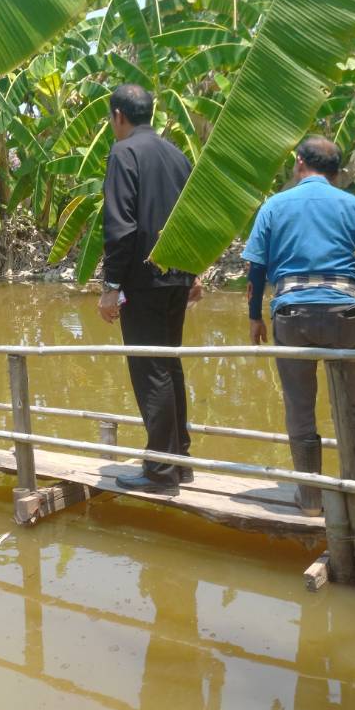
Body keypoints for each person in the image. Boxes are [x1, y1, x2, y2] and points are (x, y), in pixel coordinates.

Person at [242, 136, 355, 514]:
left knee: (299, 407)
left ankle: (310, 498)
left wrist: (254, 318)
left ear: (298, 163)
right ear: (337, 172)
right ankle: (352, 493)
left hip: (291, 314)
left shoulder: (274, 206)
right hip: (345, 314)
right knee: (351, 408)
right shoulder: (353, 205)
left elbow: (256, 269)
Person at [98, 83, 201, 496]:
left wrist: (110, 285)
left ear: (119, 116)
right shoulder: (177, 154)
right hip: (177, 277)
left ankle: (160, 471)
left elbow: (121, 226)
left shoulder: (124, 152)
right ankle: (181, 461)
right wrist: (193, 272)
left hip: (144, 279)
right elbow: (194, 217)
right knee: (169, 365)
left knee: (151, 369)